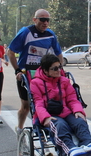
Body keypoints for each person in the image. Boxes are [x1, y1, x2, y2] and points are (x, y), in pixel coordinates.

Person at [30, 54, 91, 156]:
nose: (59, 70)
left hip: (65, 111)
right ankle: (71, 151)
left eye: (60, 67)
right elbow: (38, 103)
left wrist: (78, 111)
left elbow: (73, 98)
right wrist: (45, 118)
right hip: (49, 115)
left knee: (80, 121)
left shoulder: (64, 81)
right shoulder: (36, 83)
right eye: (55, 68)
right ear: (46, 71)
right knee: (60, 125)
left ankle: (90, 146)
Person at [8, 9, 63, 137]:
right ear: (35, 20)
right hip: (26, 73)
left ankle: (42, 134)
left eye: (47, 20)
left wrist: (59, 69)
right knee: (26, 105)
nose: (45, 22)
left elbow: (58, 53)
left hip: (43, 74)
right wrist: (17, 70)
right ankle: (20, 128)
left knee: (43, 104)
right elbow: (10, 52)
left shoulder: (50, 34)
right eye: (42, 19)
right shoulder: (26, 32)